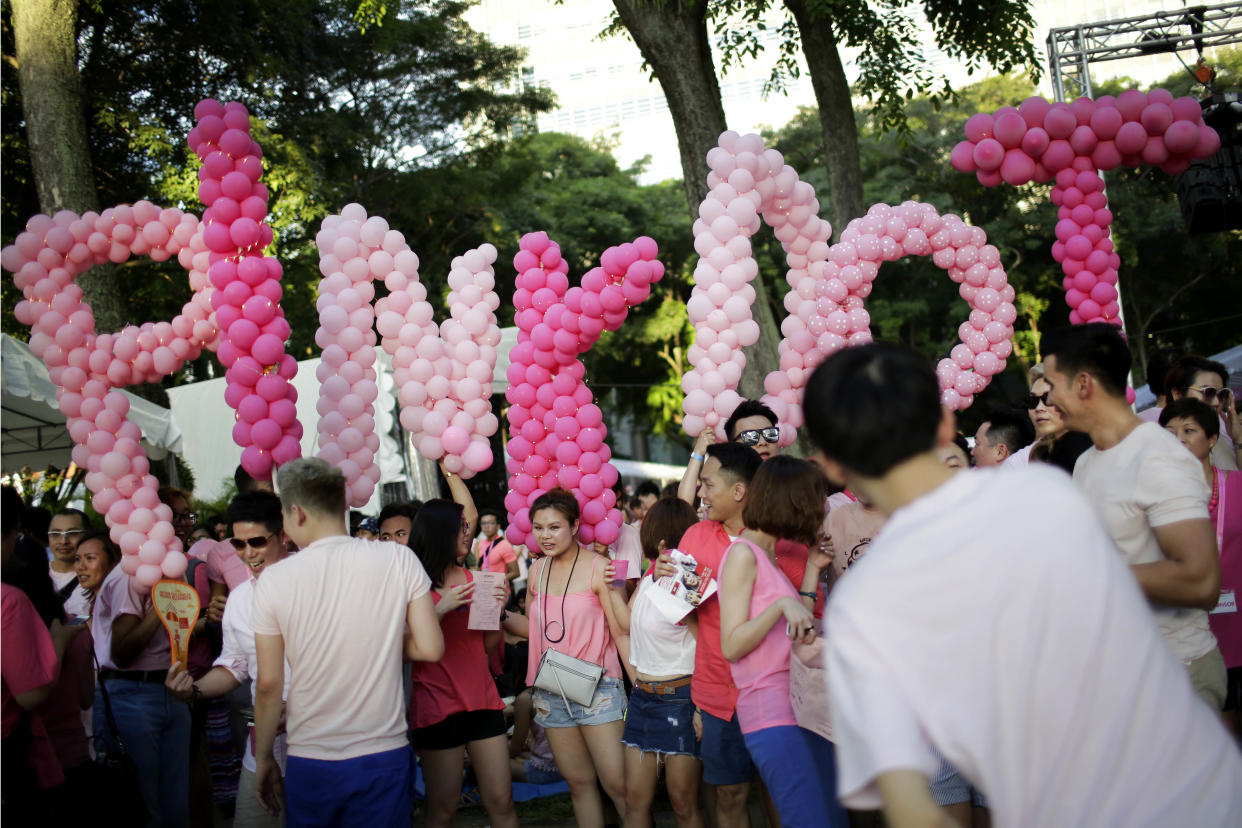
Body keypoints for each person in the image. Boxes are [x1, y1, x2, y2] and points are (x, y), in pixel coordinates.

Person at [805, 341, 1242, 826]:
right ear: (947, 425)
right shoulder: (1047, 495)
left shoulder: (859, 610)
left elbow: (913, 809)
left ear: (830, 464)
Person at [250, 458, 444, 824]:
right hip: (383, 751)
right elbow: (431, 647)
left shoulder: (273, 581)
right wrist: (378, 639)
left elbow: (269, 685)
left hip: (311, 756)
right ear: (343, 505)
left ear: (296, 512)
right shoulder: (398, 559)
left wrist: (263, 759)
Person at [1043, 323, 1226, 708]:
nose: (1047, 398)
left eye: (1052, 384)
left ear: (1083, 384)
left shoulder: (1157, 457)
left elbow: (1202, 582)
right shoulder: (1087, 462)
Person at [671, 442, 827, 828]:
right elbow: (688, 614)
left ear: (741, 491)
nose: (701, 494)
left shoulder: (782, 550)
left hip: (786, 696)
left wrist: (811, 572)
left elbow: (801, 624)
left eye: (708, 484)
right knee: (732, 793)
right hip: (727, 693)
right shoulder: (704, 541)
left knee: (787, 797)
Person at [718, 456, 844, 828]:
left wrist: (812, 571)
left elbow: (796, 627)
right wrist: (781, 607)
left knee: (829, 819)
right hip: (771, 709)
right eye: (813, 498)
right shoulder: (743, 554)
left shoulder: (766, 554)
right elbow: (731, 644)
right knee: (810, 819)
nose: (820, 507)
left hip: (801, 704)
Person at [165, 490, 291, 828]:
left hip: (323, 741)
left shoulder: (315, 585)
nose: (248, 554)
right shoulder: (239, 599)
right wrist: (191, 690)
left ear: (284, 535)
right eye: (238, 544)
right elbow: (234, 666)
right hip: (263, 744)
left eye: (258, 541)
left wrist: (300, 707)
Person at [406, 499, 517, 828]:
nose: (468, 534)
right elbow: (401, 644)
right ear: (441, 532)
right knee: (443, 807)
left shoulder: (478, 578)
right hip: (436, 703)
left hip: (482, 700)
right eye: (462, 527)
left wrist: (496, 616)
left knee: (501, 800)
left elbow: (488, 645)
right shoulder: (414, 584)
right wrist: (440, 609)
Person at [524, 489, 628, 828]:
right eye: (538, 528)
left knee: (618, 786)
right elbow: (534, 628)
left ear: (574, 526)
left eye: (554, 527)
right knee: (580, 785)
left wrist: (641, 683)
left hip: (600, 688)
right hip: (551, 688)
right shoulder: (536, 571)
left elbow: (621, 630)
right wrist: (494, 613)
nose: (545, 535)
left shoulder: (602, 568)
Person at [91, 534, 191, 825]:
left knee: (175, 807)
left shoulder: (171, 569)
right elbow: (122, 653)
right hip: (129, 693)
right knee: (142, 808)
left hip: (171, 689)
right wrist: (163, 609)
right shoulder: (129, 576)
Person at [617, 497, 703, 828]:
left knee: (683, 803)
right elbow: (626, 625)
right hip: (643, 699)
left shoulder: (685, 581)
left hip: (681, 699)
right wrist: (612, 583)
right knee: (634, 800)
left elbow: (708, 644)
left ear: (662, 538)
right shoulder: (651, 577)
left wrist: (702, 707)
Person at [1161, 398, 1242, 738]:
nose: (1177, 439)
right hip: (1188, 630)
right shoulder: (1155, 497)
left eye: (1189, 431)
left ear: (1212, 440)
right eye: (1169, 433)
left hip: (1237, 620)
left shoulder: (1237, 485)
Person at [679, 399, 782, 504]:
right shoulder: (726, 486)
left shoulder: (792, 481)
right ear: (733, 446)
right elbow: (684, 507)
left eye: (770, 434)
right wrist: (698, 453)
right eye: (750, 436)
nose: (762, 442)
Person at [1167, 355, 1241, 471]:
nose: (1216, 402)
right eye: (1208, 392)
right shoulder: (1163, 445)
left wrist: (1238, 439)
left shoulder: (1221, 440)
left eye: (1222, 394)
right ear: (1178, 395)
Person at [1024, 363, 1093, 474]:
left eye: (1047, 398)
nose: (1038, 408)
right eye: (1032, 400)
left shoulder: (1081, 446)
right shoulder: (1046, 450)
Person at [48, 508, 92, 618]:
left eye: (72, 533)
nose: (63, 541)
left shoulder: (97, 579)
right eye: (56, 533)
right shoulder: (32, 577)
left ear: (87, 536)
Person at [74, 531, 122, 615]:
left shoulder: (120, 603)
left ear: (113, 561)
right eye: (77, 559)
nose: (81, 567)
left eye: (90, 558)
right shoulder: (92, 606)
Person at [474, 510, 519, 583]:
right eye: (483, 523)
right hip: (483, 590)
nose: (486, 526)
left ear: (498, 526)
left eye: (490, 523)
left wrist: (494, 581)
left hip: (499, 591)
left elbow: (516, 573)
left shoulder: (504, 545)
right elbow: (479, 567)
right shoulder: (479, 544)